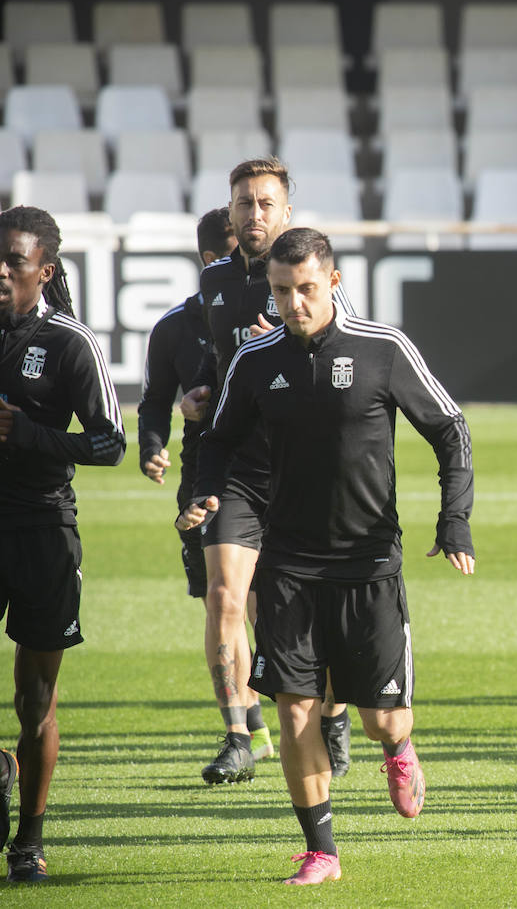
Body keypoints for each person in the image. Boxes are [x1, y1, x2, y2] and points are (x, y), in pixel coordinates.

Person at [178, 228, 475, 882]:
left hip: (369, 565)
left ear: (333, 282)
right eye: (281, 291)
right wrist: (204, 492)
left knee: (380, 717)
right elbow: (219, 438)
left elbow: (449, 428)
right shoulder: (255, 360)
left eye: (306, 289)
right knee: (294, 709)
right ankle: (322, 850)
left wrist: (453, 519)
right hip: (288, 564)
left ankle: (398, 746)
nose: (293, 303)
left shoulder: (383, 348)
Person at [181, 158, 354, 784]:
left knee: (314, 611)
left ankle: (333, 714)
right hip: (235, 463)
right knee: (225, 596)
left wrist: (290, 339)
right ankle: (237, 733)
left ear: (287, 211)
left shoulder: (310, 270)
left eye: (265, 203)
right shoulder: (215, 282)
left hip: (305, 466)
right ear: (228, 211)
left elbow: (350, 357)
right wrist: (196, 391)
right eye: (243, 203)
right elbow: (212, 355)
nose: (253, 214)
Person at [0, 206, 126, 881]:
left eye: (12, 261)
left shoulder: (71, 341)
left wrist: (29, 435)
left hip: (43, 528)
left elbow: (110, 443)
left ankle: (28, 843)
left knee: (34, 698)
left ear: (43, 270)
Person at [137, 209, 276, 761]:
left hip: (274, 468)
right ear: (207, 262)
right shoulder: (175, 327)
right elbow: (153, 401)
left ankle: (283, 717)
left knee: (268, 608)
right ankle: (245, 731)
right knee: (224, 600)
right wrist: (153, 444)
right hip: (206, 470)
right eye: (225, 256)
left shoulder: (278, 309)